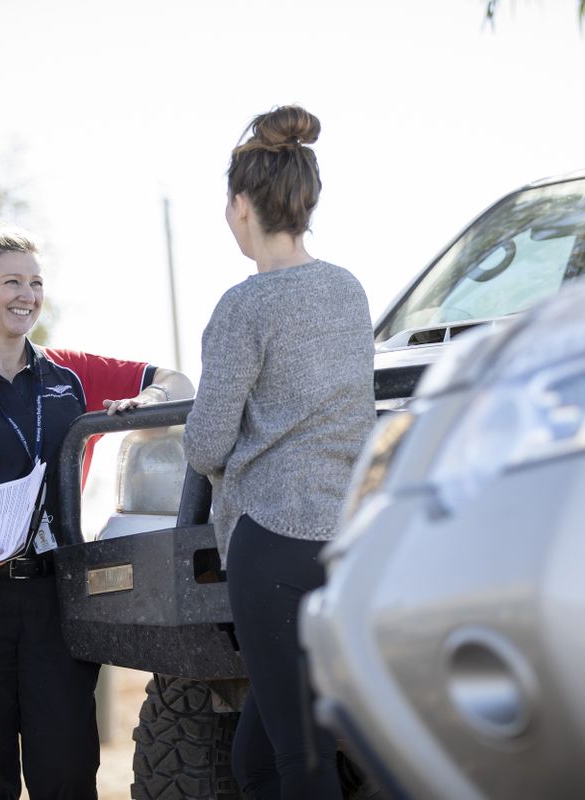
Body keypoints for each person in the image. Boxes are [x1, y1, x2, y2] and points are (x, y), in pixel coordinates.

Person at [0, 210, 193, 800]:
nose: (26, 295)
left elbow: (177, 382)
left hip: (55, 600)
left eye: (35, 283)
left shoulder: (70, 374)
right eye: (11, 282)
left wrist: (147, 398)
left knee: (67, 776)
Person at [183, 106, 376, 799]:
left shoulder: (244, 306)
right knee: (257, 765)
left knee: (301, 761)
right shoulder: (348, 291)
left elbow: (206, 442)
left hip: (271, 547)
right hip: (346, 543)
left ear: (241, 205)